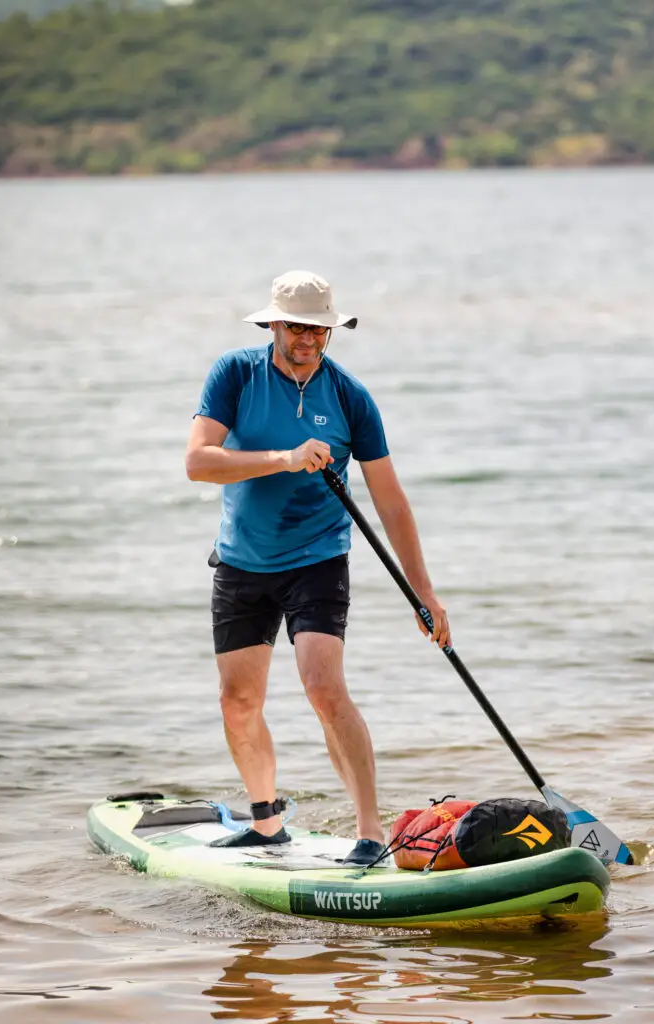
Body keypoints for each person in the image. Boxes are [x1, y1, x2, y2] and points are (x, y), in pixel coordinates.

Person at [185, 270, 449, 866]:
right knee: (237, 700)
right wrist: (283, 458)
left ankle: (368, 832)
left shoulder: (349, 396)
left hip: (318, 558)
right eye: (297, 326)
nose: (308, 338)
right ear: (273, 324)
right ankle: (266, 823)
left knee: (324, 687)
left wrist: (424, 591)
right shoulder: (235, 374)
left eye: (320, 329)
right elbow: (199, 463)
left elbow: (390, 500)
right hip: (242, 560)